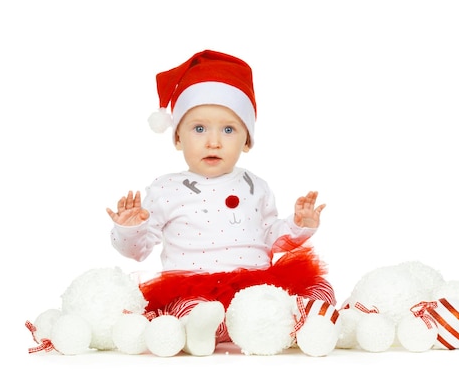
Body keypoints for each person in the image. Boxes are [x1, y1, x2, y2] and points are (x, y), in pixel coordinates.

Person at [106, 50, 335, 355]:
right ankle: (205, 330)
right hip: (193, 286)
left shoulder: (256, 185)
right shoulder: (166, 189)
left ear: (246, 140)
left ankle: (309, 321)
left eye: (229, 130)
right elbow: (138, 251)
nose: (213, 141)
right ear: (177, 138)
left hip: (256, 285)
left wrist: (298, 225)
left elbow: (270, 236)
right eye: (199, 128)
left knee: (316, 289)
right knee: (190, 308)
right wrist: (131, 229)